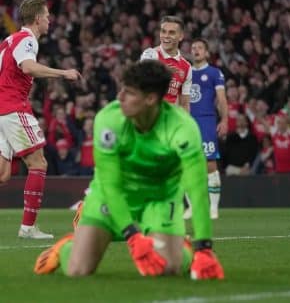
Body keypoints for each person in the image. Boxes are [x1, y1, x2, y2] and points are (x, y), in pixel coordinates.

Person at [34, 60, 224, 280]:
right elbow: (110, 184)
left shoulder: (183, 127)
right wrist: (133, 237)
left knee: (167, 269)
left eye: (130, 92)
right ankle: (66, 247)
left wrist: (204, 247)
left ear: (151, 99)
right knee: (78, 270)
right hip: (111, 196)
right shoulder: (108, 119)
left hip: (159, 199)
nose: (120, 97)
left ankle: (187, 249)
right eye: (122, 89)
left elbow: (197, 187)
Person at [0, 0, 81, 239]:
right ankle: (28, 228)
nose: (50, 20)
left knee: (3, 175)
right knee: (38, 164)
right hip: (13, 108)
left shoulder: (8, 41)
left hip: (3, 109)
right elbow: (28, 67)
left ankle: (28, 227)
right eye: (47, 16)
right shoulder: (27, 39)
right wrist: (63, 73)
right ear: (37, 19)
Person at [184, 38, 228, 220]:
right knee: (186, 165)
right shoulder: (184, 73)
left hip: (206, 121)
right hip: (187, 122)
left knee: (210, 163)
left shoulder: (214, 73)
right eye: (193, 48)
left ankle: (213, 208)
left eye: (200, 48)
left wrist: (224, 120)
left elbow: (222, 99)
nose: (196, 51)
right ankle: (193, 207)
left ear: (207, 52)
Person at [140, 15, 192, 112]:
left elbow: (185, 103)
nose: (166, 36)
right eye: (163, 31)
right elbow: (142, 82)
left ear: (180, 36)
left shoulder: (186, 67)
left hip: (170, 119)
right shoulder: (150, 54)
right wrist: (163, 71)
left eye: (171, 32)